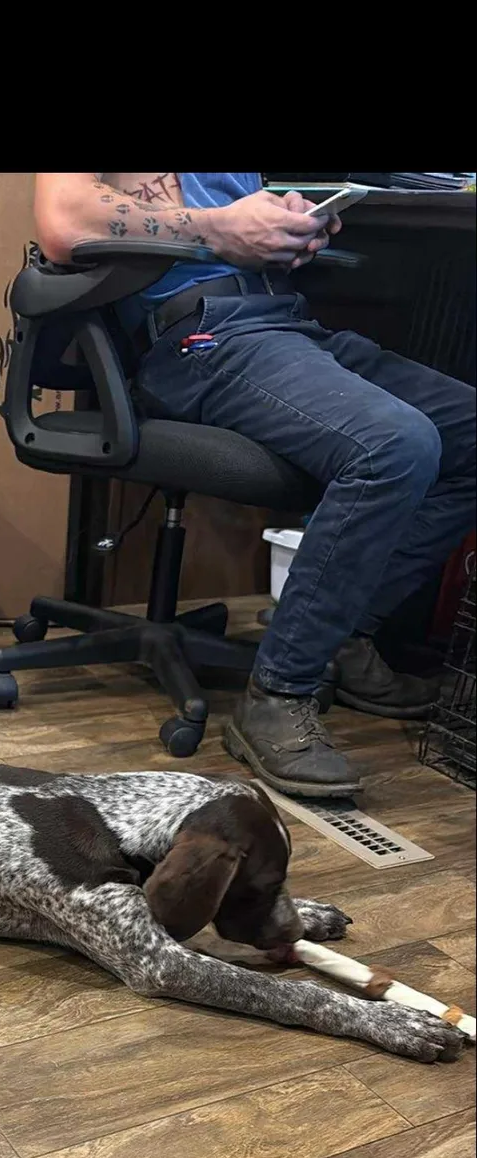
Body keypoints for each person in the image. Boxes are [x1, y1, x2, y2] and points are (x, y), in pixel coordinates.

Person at [33, 174, 476, 797]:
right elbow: (64, 223)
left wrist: (287, 225)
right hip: (201, 336)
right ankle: (281, 691)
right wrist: (223, 228)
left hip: (283, 322)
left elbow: (230, 213)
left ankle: (343, 639)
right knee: (394, 445)